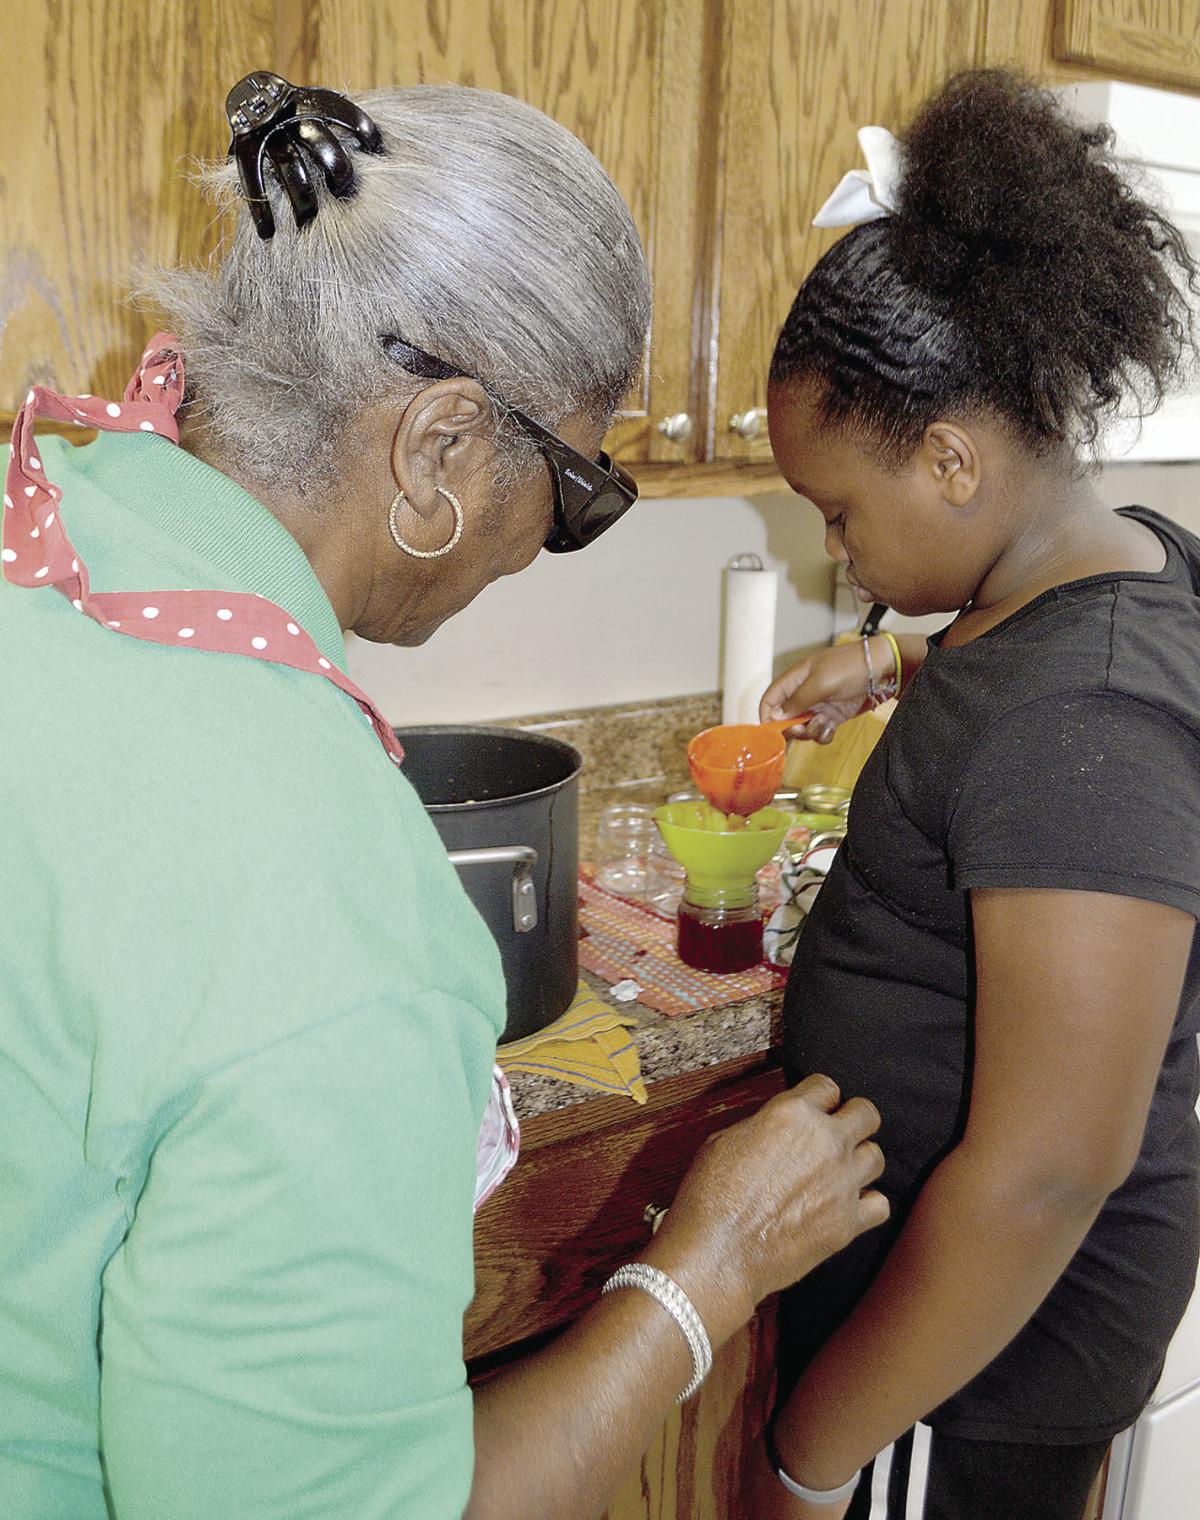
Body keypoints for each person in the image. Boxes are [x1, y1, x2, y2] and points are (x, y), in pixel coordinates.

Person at [0, 75, 889, 1520]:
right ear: (438, 450)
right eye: (579, 492)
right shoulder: (342, 927)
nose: (555, 538)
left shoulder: (49, 510)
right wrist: (703, 1274)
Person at [745, 68, 1200, 1520]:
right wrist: (889, 661)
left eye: (837, 513)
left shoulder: (1085, 721)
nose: (837, 545)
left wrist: (810, 1458)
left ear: (952, 458)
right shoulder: (1103, 561)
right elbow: (1021, 678)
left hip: (957, 1383)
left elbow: (1048, 1175)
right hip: (958, 1360)